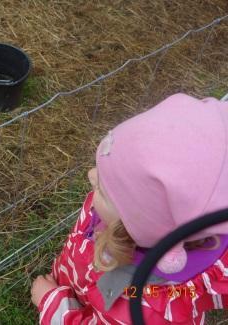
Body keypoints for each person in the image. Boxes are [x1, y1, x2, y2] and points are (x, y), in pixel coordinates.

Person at [31, 93, 228, 324]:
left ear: (135, 227)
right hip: (77, 283)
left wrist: (53, 304)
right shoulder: (121, 213)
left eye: (104, 189)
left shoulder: (147, 309)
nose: (91, 176)